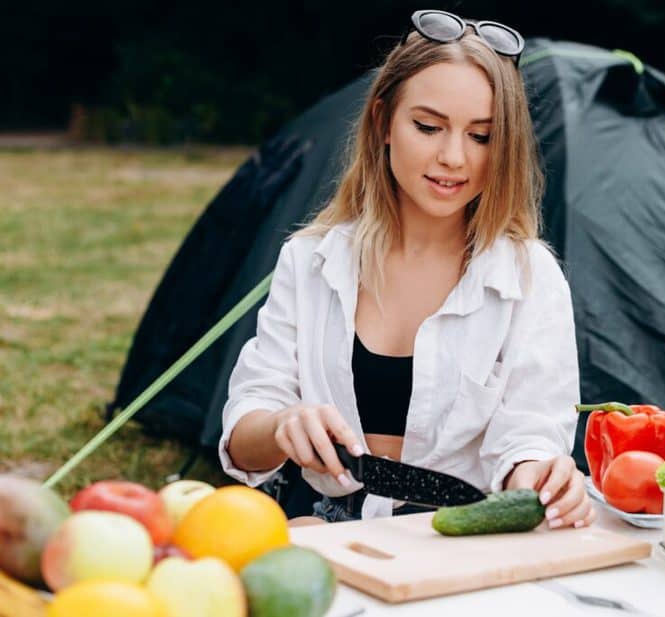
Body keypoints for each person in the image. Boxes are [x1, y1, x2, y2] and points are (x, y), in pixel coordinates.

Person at [220, 9, 593, 528]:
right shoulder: (310, 261)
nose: (453, 157)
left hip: (458, 535)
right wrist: (282, 423)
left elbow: (529, 437)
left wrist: (540, 479)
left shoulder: (529, 278)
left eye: (482, 136)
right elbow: (244, 433)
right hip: (321, 530)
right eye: (428, 127)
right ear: (382, 123)